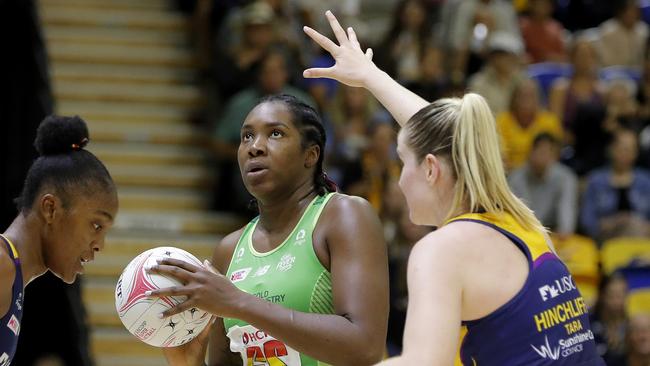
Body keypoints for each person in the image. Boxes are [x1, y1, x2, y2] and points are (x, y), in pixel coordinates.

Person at [301, 11, 606, 365]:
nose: (399, 180)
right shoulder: (522, 223)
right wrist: (372, 77)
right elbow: (449, 138)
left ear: (430, 169)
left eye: (403, 163)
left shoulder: (441, 252)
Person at [148, 94, 389, 365]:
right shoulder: (230, 249)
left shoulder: (343, 216)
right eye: (247, 137)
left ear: (311, 154)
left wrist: (240, 303)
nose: (255, 147)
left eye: (275, 133)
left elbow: (364, 346)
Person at [0, 115, 118, 365]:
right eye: (96, 225)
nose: (100, 244)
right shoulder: (2, 265)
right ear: (51, 208)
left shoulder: (13, 275)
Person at [580, 128, 650, 241]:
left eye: (629, 149)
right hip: (604, 242)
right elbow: (587, 221)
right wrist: (611, 223)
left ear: (636, 153)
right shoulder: (596, 180)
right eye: (621, 147)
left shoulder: (646, 181)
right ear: (612, 149)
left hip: (641, 242)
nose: (624, 152)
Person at [508, 133, 578, 238]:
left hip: (555, 235)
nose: (542, 157)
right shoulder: (515, 178)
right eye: (539, 151)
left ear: (555, 156)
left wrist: (564, 232)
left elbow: (566, 215)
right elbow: (514, 215)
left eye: (547, 153)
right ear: (530, 152)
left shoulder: (566, 178)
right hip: (524, 234)